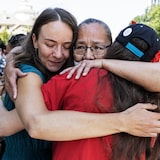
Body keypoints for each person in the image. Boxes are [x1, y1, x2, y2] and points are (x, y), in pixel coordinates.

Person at [1, 16, 160, 159]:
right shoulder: (66, 77)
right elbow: (23, 123)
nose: (88, 56)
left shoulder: (69, 79)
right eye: (80, 47)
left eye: (98, 48)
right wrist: (14, 56)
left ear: (111, 48)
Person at [0, 7, 78, 160]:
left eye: (67, 46)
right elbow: (4, 125)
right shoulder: (28, 74)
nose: (58, 54)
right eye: (50, 44)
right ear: (35, 40)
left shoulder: (60, 75)